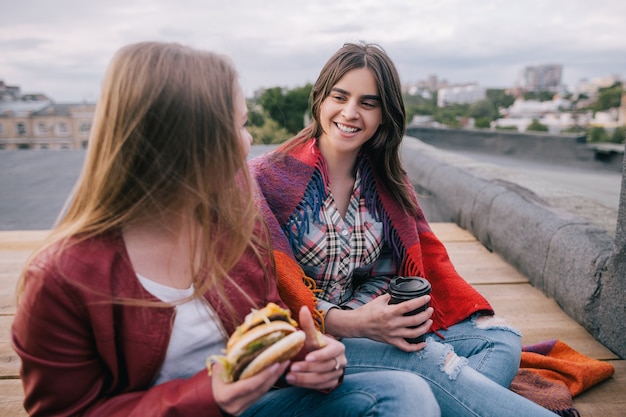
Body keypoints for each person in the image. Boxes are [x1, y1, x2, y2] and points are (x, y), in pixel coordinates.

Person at [10, 41, 441, 417]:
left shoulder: (234, 227)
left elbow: (272, 332)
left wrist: (308, 361)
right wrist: (208, 396)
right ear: (189, 139)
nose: (249, 142)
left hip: (260, 406)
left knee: (408, 394)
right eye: (239, 125)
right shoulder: (61, 279)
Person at [250, 41, 559, 417]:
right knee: (430, 360)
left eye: (368, 102)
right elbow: (266, 288)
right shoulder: (268, 180)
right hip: (310, 338)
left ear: (384, 113)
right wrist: (352, 323)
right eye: (340, 97)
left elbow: (388, 271)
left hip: (369, 322)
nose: (350, 113)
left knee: (501, 339)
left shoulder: (384, 180)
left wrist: (384, 319)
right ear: (319, 99)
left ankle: (435, 399)